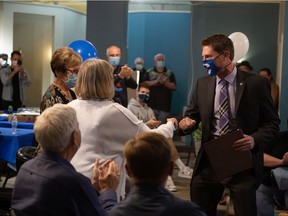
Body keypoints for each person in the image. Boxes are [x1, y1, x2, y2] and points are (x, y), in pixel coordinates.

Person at [178, 33, 280, 216]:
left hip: (242, 160)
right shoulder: (203, 84)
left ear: (226, 55)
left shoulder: (256, 83)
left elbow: (272, 123)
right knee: (199, 210)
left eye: (208, 57)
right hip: (209, 159)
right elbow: (192, 115)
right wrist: (186, 123)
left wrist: (253, 139)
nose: (204, 62)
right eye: (202, 57)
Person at [68, 58, 178, 201]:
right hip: (99, 191)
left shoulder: (70, 107)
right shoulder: (112, 111)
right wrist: (171, 125)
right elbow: (152, 139)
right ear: (107, 81)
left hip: (70, 186)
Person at [11, 104, 120, 216]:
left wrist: (92, 191)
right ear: (74, 137)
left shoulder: (25, 168)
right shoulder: (74, 183)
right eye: (78, 127)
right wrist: (108, 191)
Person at [108, 132, 206, 216]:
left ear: (128, 171)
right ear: (170, 169)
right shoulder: (190, 212)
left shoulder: (116, 213)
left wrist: (107, 194)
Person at [127, 83, 193, 192]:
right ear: (137, 92)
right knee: (165, 137)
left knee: (166, 138)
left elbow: (154, 125)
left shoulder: (149, 110)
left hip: (149, 136)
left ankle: (169, 176)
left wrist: (154, 124)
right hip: (137, 138)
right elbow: (132, 127)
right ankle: (180, 168)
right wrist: (148, 123)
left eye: (147, 93)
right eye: (143, 92)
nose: (145, 95)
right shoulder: (130, 108)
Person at [40, 47, 82, 113]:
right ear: (58, 71)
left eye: (78, 71)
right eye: (73, 71)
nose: (76, 75)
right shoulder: (50, 98)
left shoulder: (71, 93)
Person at [256, 131, 288, 216]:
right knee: (259, 202)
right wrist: (282, 162)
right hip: (268, 183)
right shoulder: (279, 137)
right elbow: (261, 158)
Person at [143, 53, 176, 124]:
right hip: (151, 105)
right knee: (151, 126)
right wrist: (157, 81)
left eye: (162, 60)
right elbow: (145, 84)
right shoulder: (149, 72)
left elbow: (174, 86)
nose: (160, 61)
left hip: (165, 106)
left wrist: (165, 82)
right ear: (155, 61)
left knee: (162, 127)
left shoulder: (169, 73)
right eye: (159, 60)